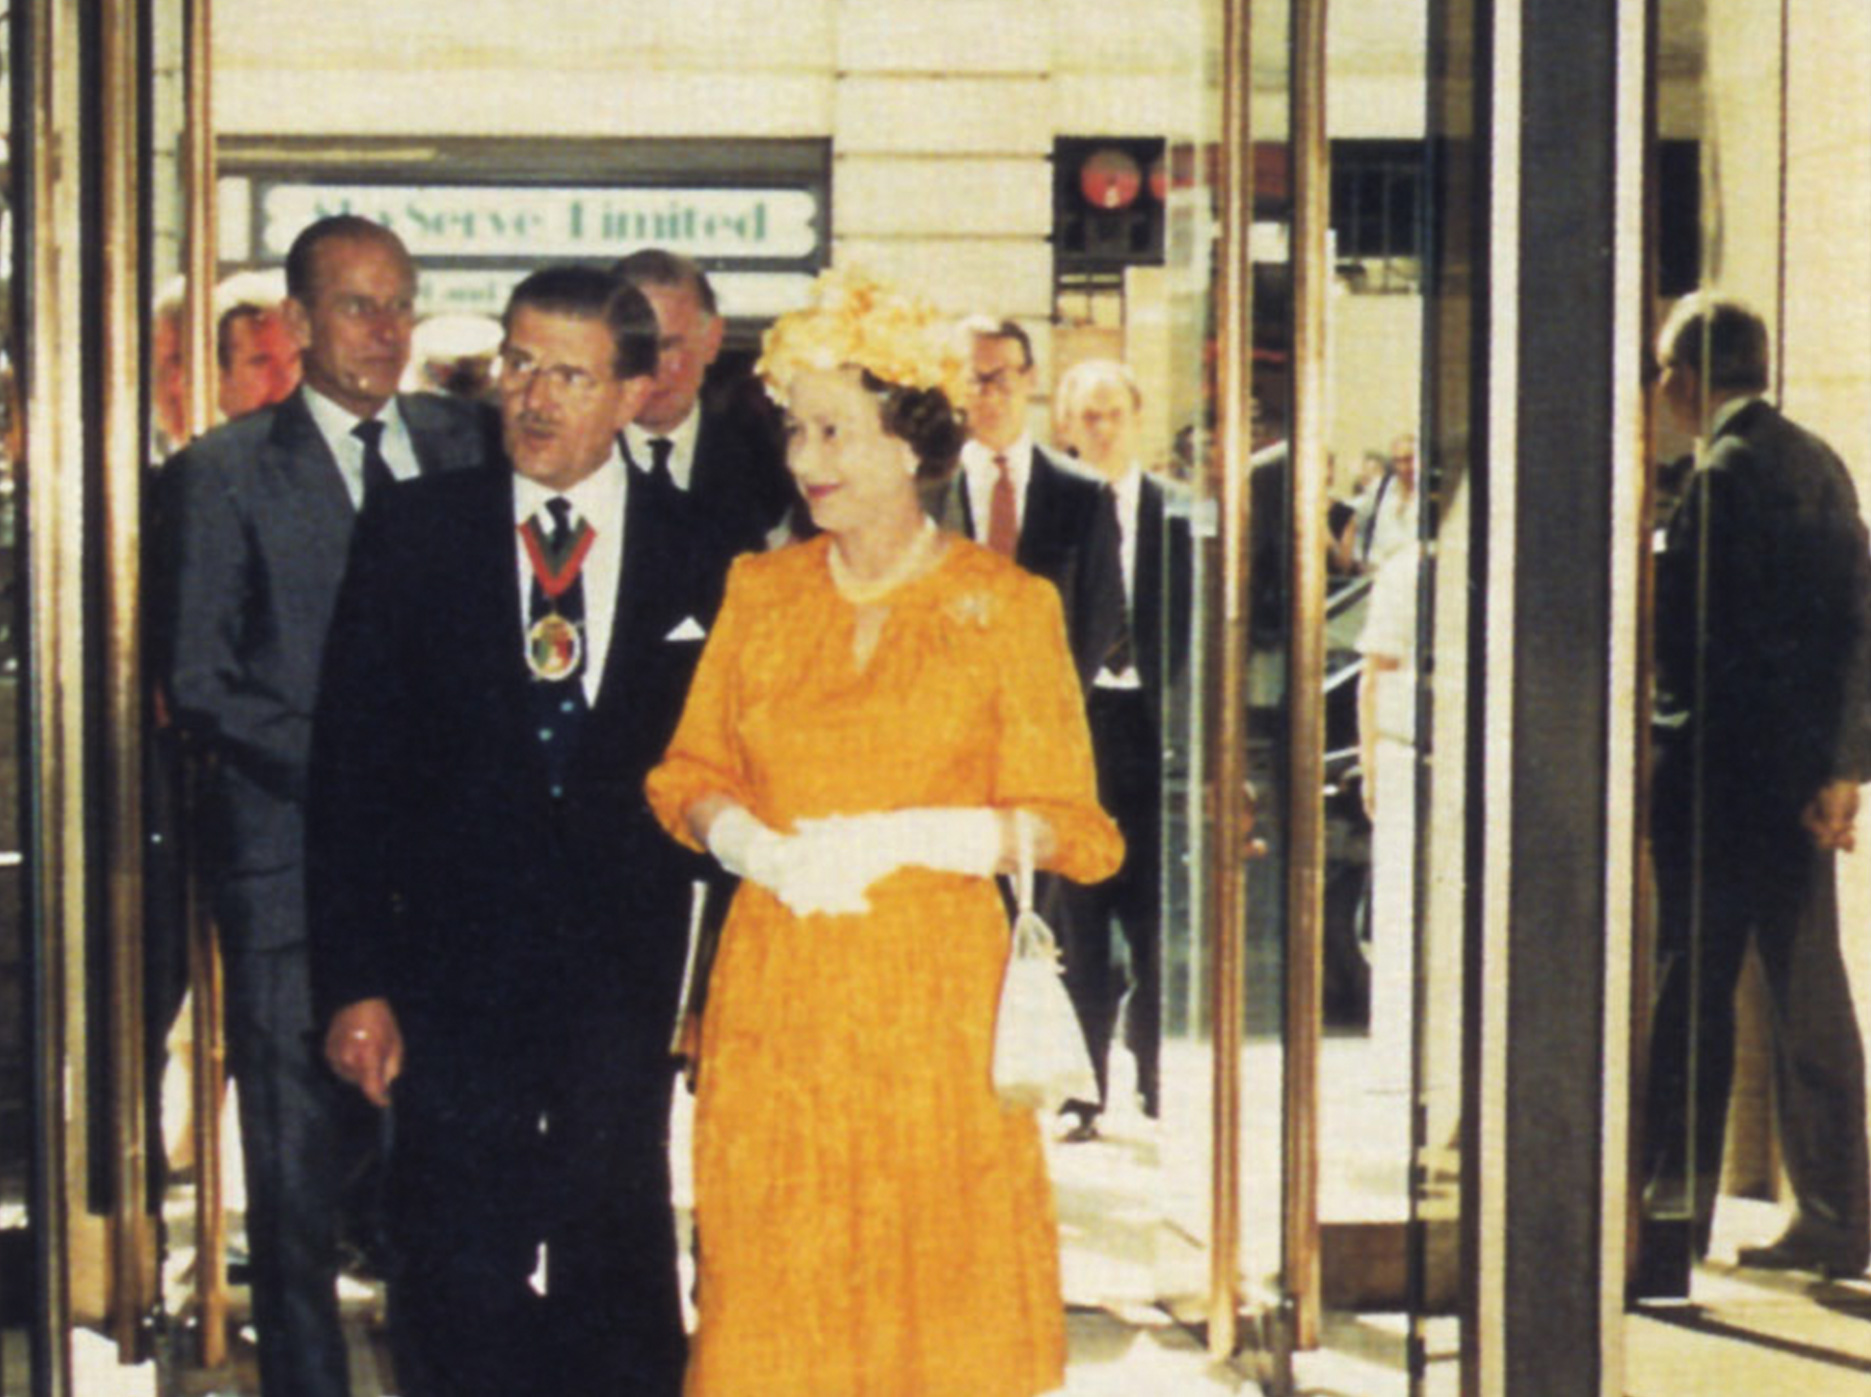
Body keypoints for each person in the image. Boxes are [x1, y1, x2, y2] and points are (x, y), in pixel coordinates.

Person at [645, 267, 1123, 1396]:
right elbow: (684, 772)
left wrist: (924, 834)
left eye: (833, 431)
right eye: (796, 429)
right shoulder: (759, 591)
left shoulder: (1007, 608)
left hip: (934, 1006)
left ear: (909, 444)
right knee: (774, 1268)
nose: (805, 458)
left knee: (932, 1281)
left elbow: (1079, 829)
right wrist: (750, 844)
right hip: (777, 989)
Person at [308, 265, 732, 1396]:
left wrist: (719, 986)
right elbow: (351, 769)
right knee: (453, 1255)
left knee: (616, 1239)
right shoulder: (413, 530)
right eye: (519, 363)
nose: (533, 397)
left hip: (622, 972)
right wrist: (356, 980)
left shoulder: (709, 549)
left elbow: (743, 772)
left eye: (571, 374)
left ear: (636, 390)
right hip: (449, 969)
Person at [154, 213, 497, 1397]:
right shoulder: (220, 475)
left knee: (440, 1197)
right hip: (291, 881)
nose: (388, 330)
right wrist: (362, 771)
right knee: (295, 1207)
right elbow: (200, 683)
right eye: (359, 305)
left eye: (401, 303)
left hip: (447, 892)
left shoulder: (467, 447)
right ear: (297, 325)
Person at [1642, 292, 1871, 1276]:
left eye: (1662, 373)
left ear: (1685, 378)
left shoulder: (1716, 478)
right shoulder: (1816, 461)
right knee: (1805, 993)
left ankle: (1667, 1223)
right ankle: (1835, 1211)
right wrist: (1838, 767)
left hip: (1717, 782)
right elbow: (1857, 624)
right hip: (1796, 785)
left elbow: (1695, 649)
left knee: (1688, 999)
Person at [1049, 358, 1191, 1125]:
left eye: (1113, 413)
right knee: (1078, 915)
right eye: (1087, 415)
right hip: (1078, 730)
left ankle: (1154, 1073)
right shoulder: (1054, 516)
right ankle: (1084, 1088)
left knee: (1154, 915)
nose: (1100, 428)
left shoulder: (1179, 512)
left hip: (1154, 730)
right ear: (1067, 426)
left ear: (1136, 418)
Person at [928, 315, 1125, 691]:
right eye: (974, 379)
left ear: (1031, 378)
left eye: (1002, 378)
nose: (989, 395)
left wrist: (1055, 704)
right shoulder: (924, 493)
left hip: (1042, 713)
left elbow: (1099, 617)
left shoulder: (1084, 495)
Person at [613, 247, 793, 552]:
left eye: (668, 346)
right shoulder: (570, 457)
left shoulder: (766, 463)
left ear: (712, 340)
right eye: (635, 346)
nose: (651, 368)